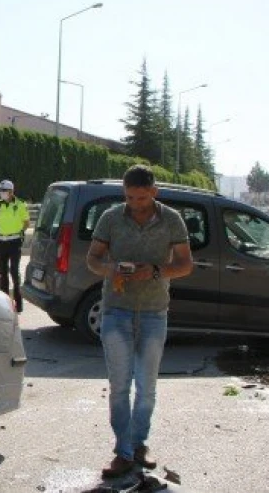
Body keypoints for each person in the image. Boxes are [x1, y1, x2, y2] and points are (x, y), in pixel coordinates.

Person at [85, 165, 193, 478]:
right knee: (119, 386)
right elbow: (92, 258)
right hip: (116, 311)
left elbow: (185, 265)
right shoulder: (110, 217)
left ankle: (139, 443)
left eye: (142, 197)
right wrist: (112, 269)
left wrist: (156, 271)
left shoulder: (171, 219)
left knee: (147, 387)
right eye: (130, 197)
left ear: (154, 192)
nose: (136, 203)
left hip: (154, 312)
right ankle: (123, 450)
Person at [0, 179, 31, 312]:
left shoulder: (20, 205)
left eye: (4, 191)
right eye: (0, 191)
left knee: (14, 272)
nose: (1, 193)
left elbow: (26, 222)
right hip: (0, 242)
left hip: (14, 242)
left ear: (11, 191)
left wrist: (20, 233)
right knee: (2, 275)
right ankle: (5, 305)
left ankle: (18, 304)